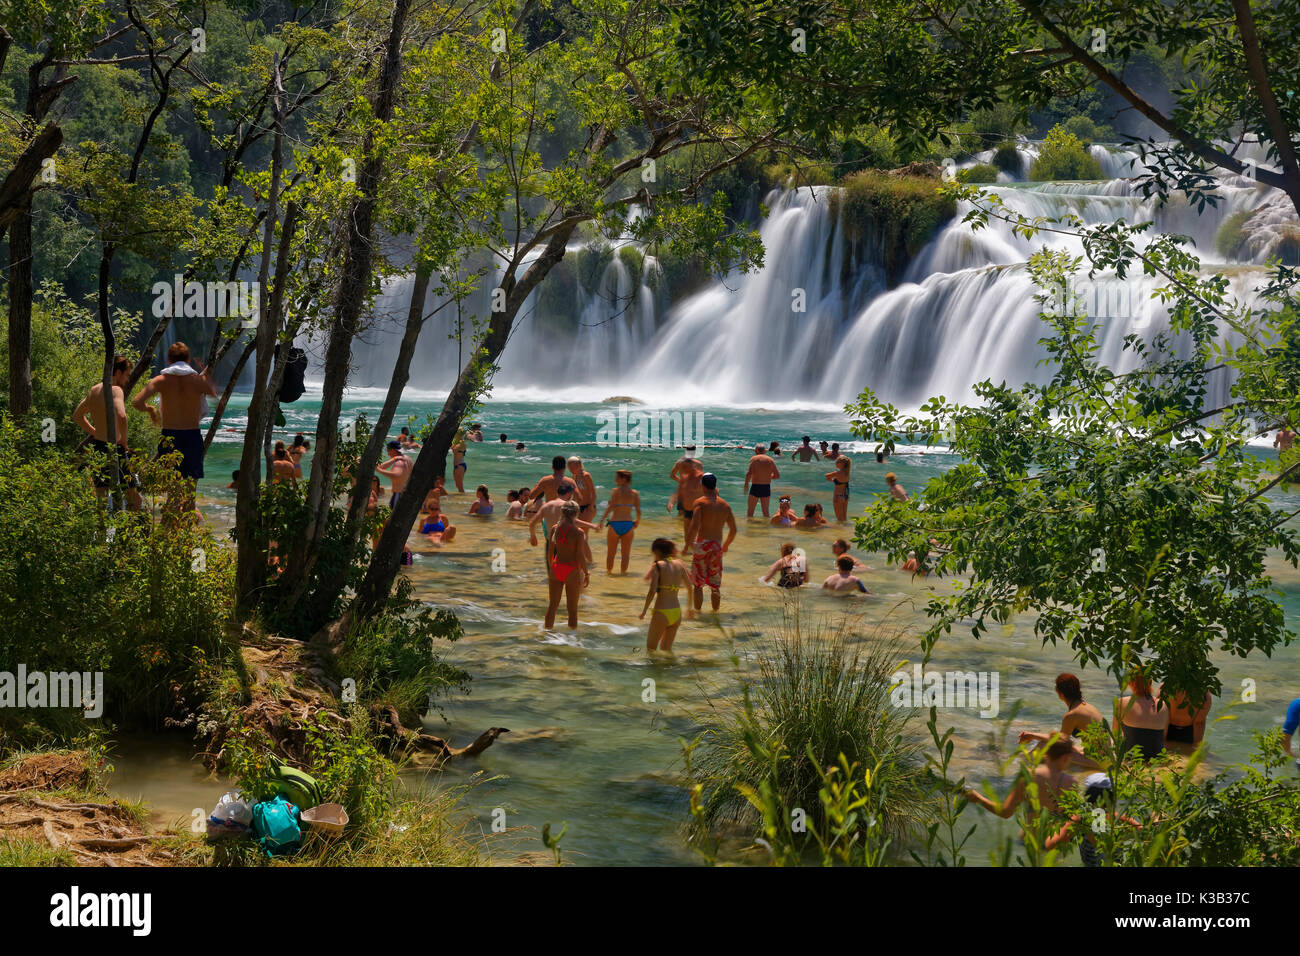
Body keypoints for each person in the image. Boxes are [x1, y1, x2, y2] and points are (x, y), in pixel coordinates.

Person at [132, 341, 218, 504]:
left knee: (172, 489)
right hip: (192, 436)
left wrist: (150, 409)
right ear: (187, 360)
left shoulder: (160, 380)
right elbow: (214, 393)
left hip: (169, 437)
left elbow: (137, 402)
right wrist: (204, 375)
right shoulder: (196, 380)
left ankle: (171, 527)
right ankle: (187, 526)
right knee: (190, 491)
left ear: (169, 360)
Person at [73, 354, 141, 511]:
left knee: (101, 502)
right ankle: (127, 534)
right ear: (118, 373)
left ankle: (101, 535)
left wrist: (95, 431)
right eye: (126, 375)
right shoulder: (116, 390)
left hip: (98, 447)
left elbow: (77, 416)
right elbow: (122, 416)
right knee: (135, 499)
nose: (127, 380)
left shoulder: (94, 390)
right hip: (115, 449)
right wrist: (124, 441)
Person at [965, 737, 1077, 825]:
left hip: (1029, 844)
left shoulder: (1029, 775)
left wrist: (978, 799)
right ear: (1067, 757)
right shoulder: (1071, 783)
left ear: (1046, 753)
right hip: (1054, 846)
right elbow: (1073, 820)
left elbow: (1006, 812)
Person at [1018, 673, 1105, 768]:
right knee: (1071, 748)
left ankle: (1022, 763)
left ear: (1059, 693)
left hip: (1098, 761)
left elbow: (1059, 743)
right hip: (1105, 757)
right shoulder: (1088, 706)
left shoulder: (1072, 715)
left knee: (1043, 745)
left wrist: (1033, 735)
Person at [682, 473, 737, 615]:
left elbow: (694, 526)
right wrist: (726, 545)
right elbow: (733, 529)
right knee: (715, 585)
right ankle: (715, 615)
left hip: (702, 545)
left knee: (698, 585)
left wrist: (686, 545)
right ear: (715, 485)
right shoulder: (725, 505)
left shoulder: (700, 502)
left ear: (703, 486)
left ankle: (699, 614)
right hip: (717, 546)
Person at [545, 500, 591, 629]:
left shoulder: (555, 528)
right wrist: (587, 573)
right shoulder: (579, 532)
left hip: (556, 567)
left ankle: (547, 635)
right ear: (576, 513)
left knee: (552, 606)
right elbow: (580, 555)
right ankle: (571, 640)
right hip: (572, 569)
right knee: (572, 610)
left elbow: (550, 551)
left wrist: (551, 568)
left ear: (562, 512)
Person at [640, 537, 688, 652]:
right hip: (677, 612)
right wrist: (690, 608)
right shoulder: (680, 564)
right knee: (666, 650)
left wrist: (644, 611)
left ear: (656, 552)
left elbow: (652, 591)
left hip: (662, 612)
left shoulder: (657, 566)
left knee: (651, 649)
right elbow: (690, 586)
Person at [1116, 669, 1169, 760]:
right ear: (1150, 682)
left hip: (1131, 758)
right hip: (1156, 759)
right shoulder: (1163, 705)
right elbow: (1164, 736)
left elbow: (1116, 734)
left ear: (1131, 682)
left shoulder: (1121, 703)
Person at [528, 482, 598, 546]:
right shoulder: (567, 505)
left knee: (550, 559)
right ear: (569, 494)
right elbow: (574, 521)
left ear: (557, 493)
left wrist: (533, 536)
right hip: (564, 542)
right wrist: (592, 526)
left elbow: (532, 523)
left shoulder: (546, 505)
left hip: (550, 542)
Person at [599, 469, 641, 574]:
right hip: (628, 524)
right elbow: (638, 511)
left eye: (617, 478)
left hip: (615, 524)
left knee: (611, 553)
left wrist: (601, 520)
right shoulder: (635, 493)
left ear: (623, 479)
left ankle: (609, 574)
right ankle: (623, 575)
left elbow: (610, 507)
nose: (615, 480)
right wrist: (637, 522)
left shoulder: (615, 491)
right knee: (626, 554)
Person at [669, 458, 704, 540]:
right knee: (692, 517)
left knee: (681, 515)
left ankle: (678, 533)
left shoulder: (679, 462)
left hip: (684, 492)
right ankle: (687, 537)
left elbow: (672, 475)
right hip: (693, 494)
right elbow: (701, 481)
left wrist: (682, 482)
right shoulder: (698, 464)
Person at [744, 444, 780, 518]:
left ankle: (749, 528)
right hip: (766, 487)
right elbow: (777, 476)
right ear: (764, 451)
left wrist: (746, 484)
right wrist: (768, 477)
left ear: (755, 451)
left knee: (750, 511)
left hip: (755, 486)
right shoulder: (770, 460)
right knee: (766, 511)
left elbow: (749, 473)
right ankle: (766, 528)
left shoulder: (754, 459)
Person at [376, 440, 412, 508]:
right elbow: (382, 466)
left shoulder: (399, 462)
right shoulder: (407, 459)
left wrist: (378, 470)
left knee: (394, 517)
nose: (388, 453)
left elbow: (397, 475)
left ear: (392, 450)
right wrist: (394, 459)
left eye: (388, 450)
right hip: (406, 493)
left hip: (398, 494)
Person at [567, 456, 597, 522]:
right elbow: (574, 494)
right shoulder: (574, 477)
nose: (571, 470)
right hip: (577, 508)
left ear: (578, 466)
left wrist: (591, 507)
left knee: (583, 531)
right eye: (569, 468)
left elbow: (593, 493)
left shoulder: (586, 476)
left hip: (587, 507)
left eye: (572, 468)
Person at [825, 455, 852, 522]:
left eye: (837, 462)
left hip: (838, 496)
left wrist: (833, 480)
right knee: (844, 517)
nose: (836, 463)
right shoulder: (847, 473)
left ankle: (840, 531)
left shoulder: (837, 473)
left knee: (839, 519)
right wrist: (834, 480)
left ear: (842, 464)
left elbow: (827, 476)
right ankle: (845, 531)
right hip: (845, 495)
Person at [1282, 696, 1300, 761]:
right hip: (1297, 706)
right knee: (1285, 738)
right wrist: (1289, 754)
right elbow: (1284, 738)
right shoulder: (1297, 705)